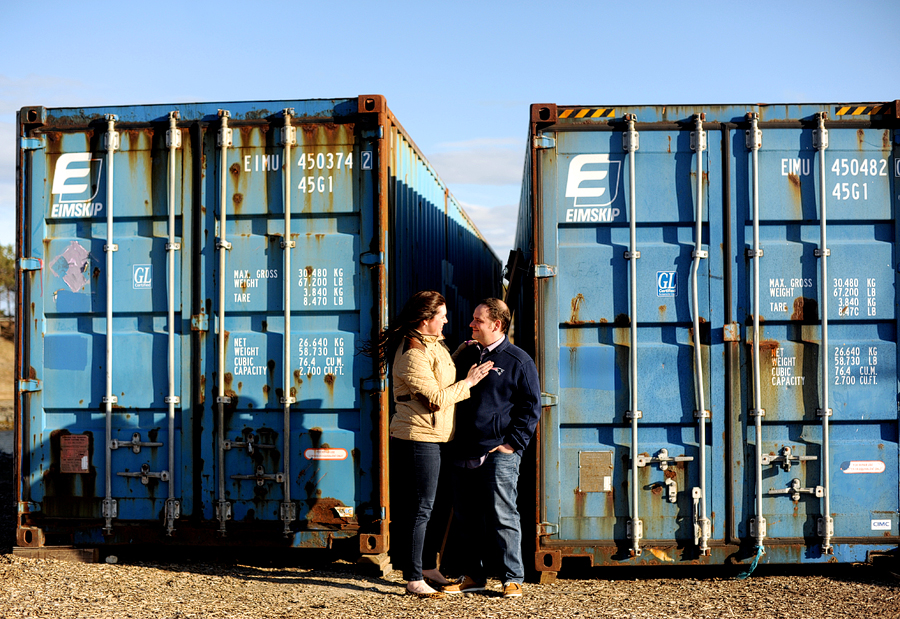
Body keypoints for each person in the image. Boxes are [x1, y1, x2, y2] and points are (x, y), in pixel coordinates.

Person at [366, 290, 493, 599]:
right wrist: (470, 382)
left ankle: (425, 566)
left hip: (437, 438)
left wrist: (463, 351)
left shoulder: (433, 345)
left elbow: (443, 373)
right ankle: (412, 577)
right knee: (419, 508)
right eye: (442, 316)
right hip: (417, 438)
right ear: (426, 321)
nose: (447, 320)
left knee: (433, 506)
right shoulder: (412, 354)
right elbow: (436, 399)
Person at [442, 298, 541, 599]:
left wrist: (512, 444)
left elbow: (531, 407)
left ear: (496, 324)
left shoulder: (518, 360)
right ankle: (473, 576)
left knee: (503, 515)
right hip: (464, 450)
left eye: (478, 320)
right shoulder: (467, 355)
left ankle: (513, 579)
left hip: (498, 452)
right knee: (466, 518)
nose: (471, 324)